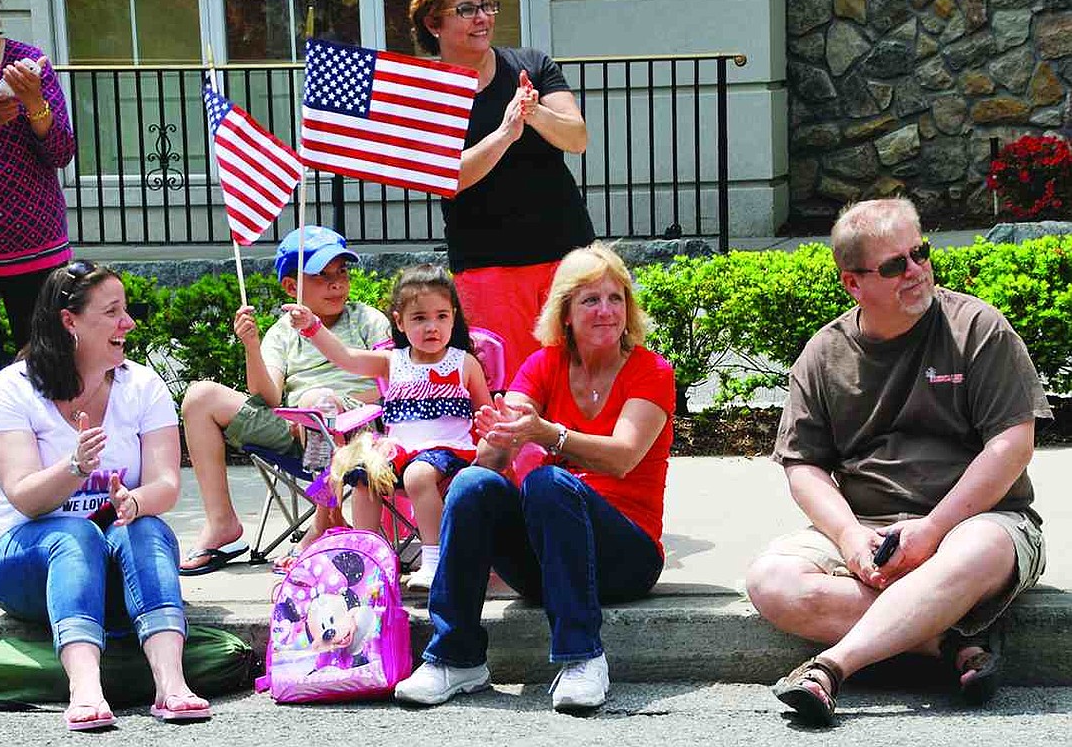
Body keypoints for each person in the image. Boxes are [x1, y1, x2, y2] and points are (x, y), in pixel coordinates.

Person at [745, 198, 1051, 726]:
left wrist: (933, 529)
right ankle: (949, 641)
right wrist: (847, 537)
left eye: (919, 252)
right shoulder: (823, 355)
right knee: (770, 582)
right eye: (894, 265)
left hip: (978, 521)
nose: (915, 270)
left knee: (974, 552)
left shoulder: (979, 329)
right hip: (868, 523)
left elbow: (1011, 446)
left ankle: (831, 667)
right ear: (852, 283)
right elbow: (804, 467)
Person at [393, 243, 674, 713]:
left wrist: (549, 434)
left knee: (547, 483)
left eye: (615, 298)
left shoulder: (651, 370)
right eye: (590, 300)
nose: (606, 311)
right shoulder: (544, 364)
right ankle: (456, 657)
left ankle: (583, 657)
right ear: (565, 313)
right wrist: (503, 434)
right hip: (551, 555)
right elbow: (488, 461)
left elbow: (623, 457)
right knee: (469, 484)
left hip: (627, 553)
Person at [0, 261, 211, 730]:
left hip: (114, 560)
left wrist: (135, 501)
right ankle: (85, 689)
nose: (128, 323)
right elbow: (24, 498)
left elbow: (167, 483)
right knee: (74, 534)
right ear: (70, 322)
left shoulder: (143, 386)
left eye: (125, 310)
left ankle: (172, 684)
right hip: (24, 560)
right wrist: (74, 467)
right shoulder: (13, 388)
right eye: (112, 312)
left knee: (145, 527)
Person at [408, 0, 595, 388]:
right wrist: (506, 132)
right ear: (434, 23)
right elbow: (449, 178)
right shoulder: (427, 92)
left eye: (487, 5)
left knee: (577, 375)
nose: (483, 18)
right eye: (467, 9)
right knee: (509, 385)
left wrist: (534, 113)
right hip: (488, 265)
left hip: (563, 251)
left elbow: (577, 137)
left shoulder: (531, 64)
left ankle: (577, 457)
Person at [178, 226, 389, 575]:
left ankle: (326, 525)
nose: (337, 283)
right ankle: (222, 524)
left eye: (342, 272)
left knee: (319, 400)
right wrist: (251, 347)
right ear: (291, 287)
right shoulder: (282, 331)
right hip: (293, 426)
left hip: (358, 429)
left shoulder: (368, 320)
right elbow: (268, 396)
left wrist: (329, 404)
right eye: (322, 276)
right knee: (200, 398)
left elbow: (389, 384)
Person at [284, 264, 492, 590]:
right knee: (367, 475)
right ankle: (368, 560)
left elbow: (485, 411)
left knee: (418, 474)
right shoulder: (393, 361)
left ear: (453, 316)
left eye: (441, 316)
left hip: (450, 448)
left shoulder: (464, 363)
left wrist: (492, 433)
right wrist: (313, 326)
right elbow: (346, 358)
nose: (431, 326)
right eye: (419, 318)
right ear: (399, 322)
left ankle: (434, 559)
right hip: (400, 449)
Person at [0, 0, 75, 524]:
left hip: (39, 245)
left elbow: (61, 151)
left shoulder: (30, 63)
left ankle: (57, 472)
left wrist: (33, 105)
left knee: (51, 356)